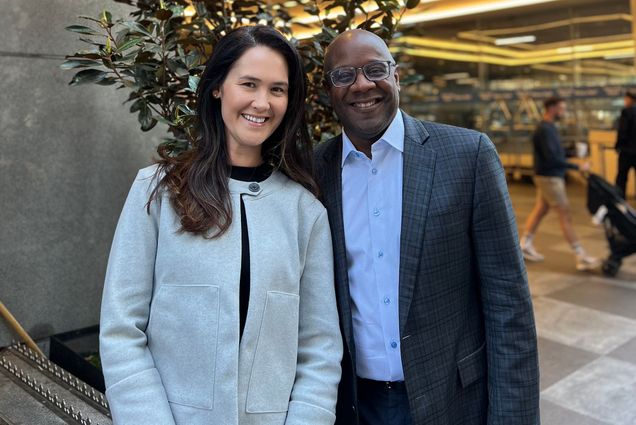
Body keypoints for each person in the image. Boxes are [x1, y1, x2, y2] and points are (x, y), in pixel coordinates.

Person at [99, 25, 342, 425]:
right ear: (218, 88)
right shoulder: (158, 191)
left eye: (277, 90)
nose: (262, 103)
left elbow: (318, 348)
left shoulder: (305, 212)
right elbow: (122, 328)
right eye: (248, 84)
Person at [314, 29, 539, 425]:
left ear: (396, 76)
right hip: (351, 404)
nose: (362, 84)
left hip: (452, 401)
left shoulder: (467, 156)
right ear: (328, 91)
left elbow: (508, 302)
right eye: (344, 75)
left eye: (374, 69)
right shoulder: (314, 171)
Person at [520, 96, 599, 271]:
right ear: (552, 107)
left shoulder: (549, 128)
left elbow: (555, 154)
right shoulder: (545, 129)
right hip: (550, 178)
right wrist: (576, 165)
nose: (564, 110)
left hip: (546, 176)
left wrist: (571, 156)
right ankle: (580, 255)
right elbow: (553, 158)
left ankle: (524, 244)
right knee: (565, 215)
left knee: (541, 209)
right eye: (561, 107)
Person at [615, 90, 636, 198]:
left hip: (627, 151)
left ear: (630, 100)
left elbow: (623, 131)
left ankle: (619, 200)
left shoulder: (626, 112)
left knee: (622, 178)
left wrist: (618, 146)